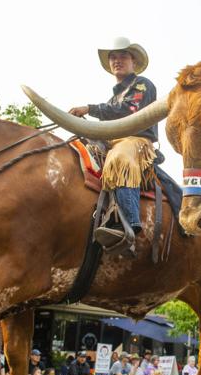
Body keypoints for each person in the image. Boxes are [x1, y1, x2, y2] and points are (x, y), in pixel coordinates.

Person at [68, 37, 158, 254]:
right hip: (112, 140)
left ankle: (128, 224)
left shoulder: (142, 84)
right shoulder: (114, 96)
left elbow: (129, 110)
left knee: (120, 159)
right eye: (113, 57)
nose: (117, 61)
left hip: (135, 141)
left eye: (123, 56)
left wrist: (89, 109)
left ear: (134, 62)